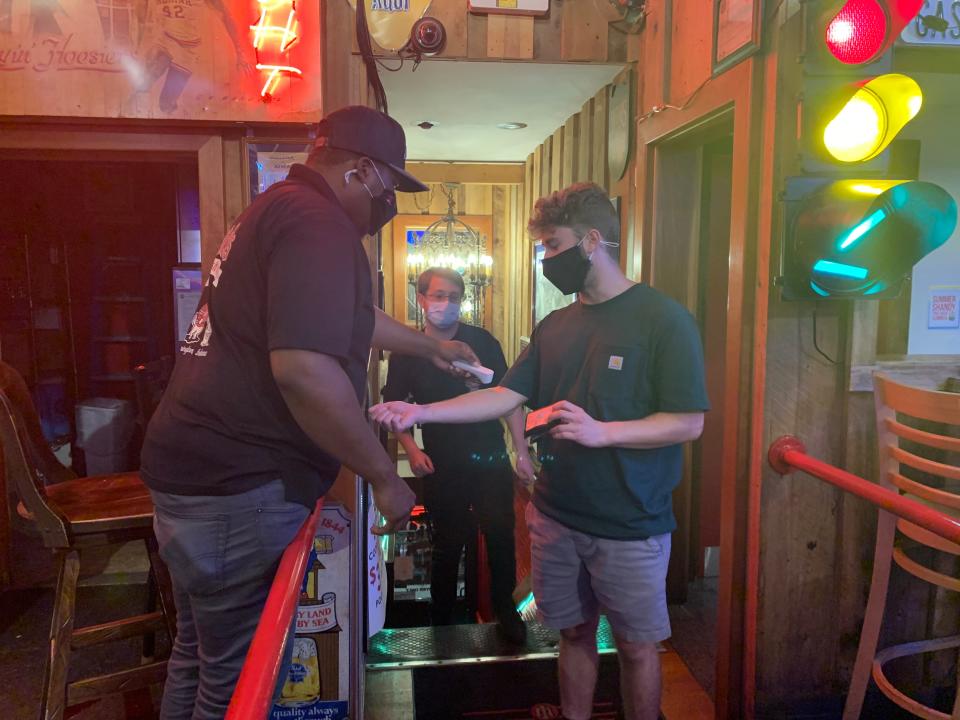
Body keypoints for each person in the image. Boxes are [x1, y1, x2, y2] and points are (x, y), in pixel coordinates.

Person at [140, 105, 480, 720]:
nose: (390, 207)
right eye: (393, 188)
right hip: (238, 484)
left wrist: (433, 346)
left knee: (197, 656)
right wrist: (382, 476)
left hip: (194, 474)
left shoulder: (277, 210)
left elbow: (349, 317)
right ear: (364, 173)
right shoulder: (318, 225)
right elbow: (303, 369)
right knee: (237, 680)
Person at [370, 183, 709, 720]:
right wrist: (420, 414)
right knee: (572, 634)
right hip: (555, 517)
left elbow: (689, 421)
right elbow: (504, 394)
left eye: (553, 246)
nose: (547, 259)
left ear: (592, 240)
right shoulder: (554, 326)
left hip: (630, 522)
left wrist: (606, 433)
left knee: (637, 647)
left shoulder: (664, 320)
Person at [382, 266, 535, 643]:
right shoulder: (408, 351)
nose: (446, 304)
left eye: (454, 297)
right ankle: (443, 623)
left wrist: (521, 450)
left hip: (488, 454)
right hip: (440, 459)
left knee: (499, 532)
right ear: (421, 299)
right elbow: (394, 406)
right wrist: (412, 450)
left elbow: (509, 399)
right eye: (438, 295)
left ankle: (505, 611)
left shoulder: (482, 341)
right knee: (447, 542)